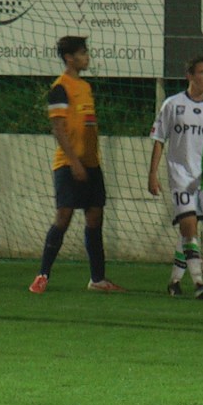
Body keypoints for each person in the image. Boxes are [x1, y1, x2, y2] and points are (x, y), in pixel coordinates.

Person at [29, 36, 124, 294]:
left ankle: (98, 279)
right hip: (69, 164)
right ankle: (42, 275)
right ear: (69, 58)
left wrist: (88, 160)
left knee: (95, 217)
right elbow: (58, 128)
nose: (87, 57)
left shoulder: (85, 86)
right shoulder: (60, 88)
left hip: (91, 163)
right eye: (82, 53)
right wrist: (74, 162)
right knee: (63, 217)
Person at [148, 56, 203, 299]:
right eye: (202, 72)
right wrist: (152, 174)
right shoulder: (172, 104)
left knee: (188, 230)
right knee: (190, 226)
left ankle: (174, 281)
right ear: (190, 76)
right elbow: (159, 140)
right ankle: (198, 283)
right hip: (179, 176)